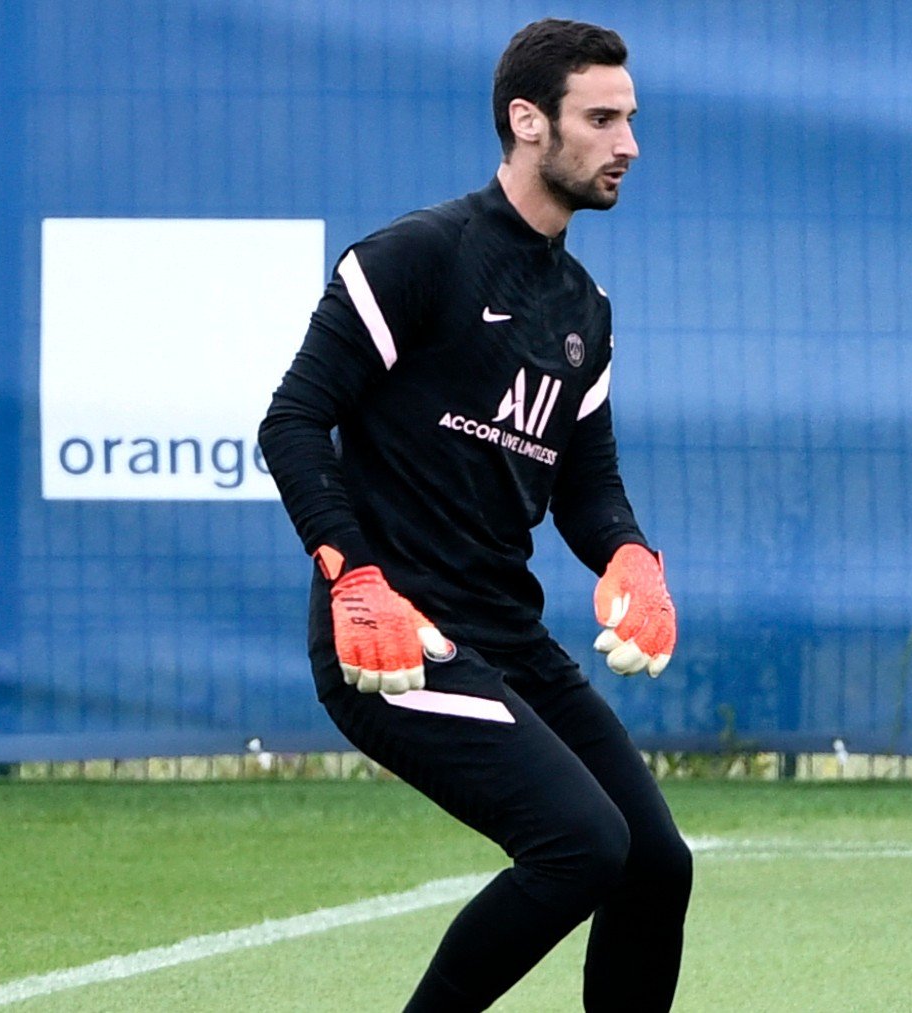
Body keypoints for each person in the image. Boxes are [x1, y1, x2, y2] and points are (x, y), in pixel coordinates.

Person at [258, 19, 690, 1012]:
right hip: (392, 642)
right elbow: (293, 420)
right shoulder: (416, 256)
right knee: (581, 843)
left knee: (655, 863)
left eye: (630, 118)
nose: (629, 144)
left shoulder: (586, 307)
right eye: (603, 119)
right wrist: (355, 577)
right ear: (526, 120)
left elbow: (587, 486)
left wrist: (629, 552)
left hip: (507, 635)